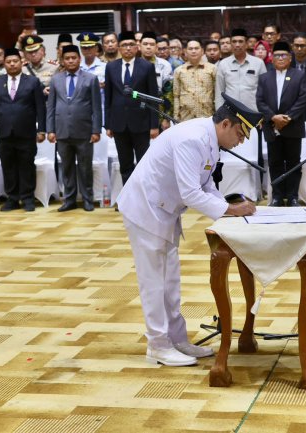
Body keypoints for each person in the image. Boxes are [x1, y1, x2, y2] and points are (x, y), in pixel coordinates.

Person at [117, 94, 258, 366]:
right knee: (154, 282)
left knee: (170, 281)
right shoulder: (192, 138)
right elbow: (191, 193)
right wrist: (230, 211)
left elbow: (206, 185)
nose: (240, 141)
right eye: (240, 135)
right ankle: (157, 345)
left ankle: (177, 340)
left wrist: (229, 207)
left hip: (164, 210)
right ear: (226, 124)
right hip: (146, 209)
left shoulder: (210, 140)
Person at [0, 48, 46, 212]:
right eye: (8, 62)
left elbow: (40, 107)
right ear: (4, 64)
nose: (12, 64)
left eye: (15, 61)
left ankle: (27, 198)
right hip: (4, 132)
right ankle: (12, 198)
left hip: (26, 131)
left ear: (21, 62)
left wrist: (42, 130)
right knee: (8, 165)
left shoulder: (32, 81)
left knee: (27, 164)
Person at [47, 45, 102, 212]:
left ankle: (87, 200)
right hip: (62, 130)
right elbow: (51, 107)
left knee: (85, 167)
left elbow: (96, 108)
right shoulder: (56, 79)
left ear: (79, 59)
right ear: (63, 61)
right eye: (67, 58)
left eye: (74, 58)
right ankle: (69, 200)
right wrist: (50, 129)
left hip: (84, 131)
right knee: (67, 167)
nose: (70, 61)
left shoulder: (91, 78)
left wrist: (96, 130)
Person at [257, 41, 306, 207]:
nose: (280, 58)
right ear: (272, 58)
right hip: (272, 127)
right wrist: (273, 117)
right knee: (275, 163)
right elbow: (260, 101)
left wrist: (287, 118)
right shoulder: (265, 77)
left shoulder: (299, 75)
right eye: (277, 55)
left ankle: (293, 196)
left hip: (293, 127)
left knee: (294, 163)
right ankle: (277, 197)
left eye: (284, 55)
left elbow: (303, 99)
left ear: (290, 57)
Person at [104, 31, 159, 185]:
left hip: (141, 122)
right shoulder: (111, 67)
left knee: (144, 163)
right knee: (125, 164)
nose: (128, 48)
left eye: (131, 45)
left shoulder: (147, 67)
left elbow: (152, 96)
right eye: (124, 45)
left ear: (137, 47)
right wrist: (108, 124)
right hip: (119, 123)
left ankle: (144, 197)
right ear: (119, 48)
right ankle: (129, 198)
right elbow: (108, 97)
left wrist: (154, 125)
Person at [215, 28, 266, 112]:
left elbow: (264, 91)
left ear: (246, 44)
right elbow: (219, 92)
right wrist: (220, 112)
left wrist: (263, 114)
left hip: (253, 112)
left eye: (240, 41)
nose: (237, 45)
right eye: (234, 41)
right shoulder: (223, 64)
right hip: (230, 113)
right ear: (231, 44)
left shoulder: (258, 63)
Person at [173, 39, 217, 122]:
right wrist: (176, 116)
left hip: (207, 117)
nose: (193, 51)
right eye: (190, 49)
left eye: (196, 48)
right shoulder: (178, 71)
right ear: (185, 51)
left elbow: (217, 94)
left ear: (202, 51)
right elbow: (176, 95)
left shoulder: (212, 69)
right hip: (185, 117)